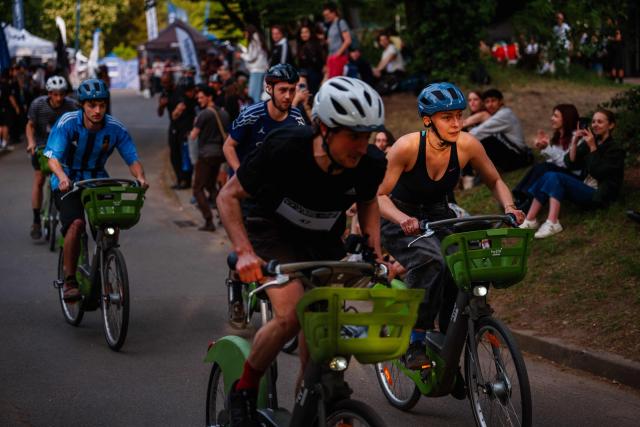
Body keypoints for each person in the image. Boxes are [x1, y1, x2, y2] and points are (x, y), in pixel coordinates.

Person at [217, 76, 387, 425]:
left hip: (322, 241)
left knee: (326, 329)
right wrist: (244, 252)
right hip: (270, 231)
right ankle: (244, 389)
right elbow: (228, 196)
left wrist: (375, 253)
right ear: (323, 127)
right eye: (353, 135)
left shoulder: (370, 162)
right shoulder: (284, 147)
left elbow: (369, 202)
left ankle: (308, 408)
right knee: (293, 313)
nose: (361, 145)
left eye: (367, 135)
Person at [377, 82, 524, 370]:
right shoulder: (406, 147)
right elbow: (379, 195)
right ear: (428, 120)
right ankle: (415, 340)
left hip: (439, 216)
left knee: (465, 265)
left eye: (459, 115)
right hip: (400, 219)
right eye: (448, 117)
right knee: (433, 262)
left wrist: (509, 207)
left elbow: (494, 180)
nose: (457, 123)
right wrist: (402, 220)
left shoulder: (467, 145)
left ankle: (448, 336)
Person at [44, 78, 148, 301]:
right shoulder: (68, 122)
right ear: (82, 105)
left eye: (101, 105)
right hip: (68, 180)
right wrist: (62, 177)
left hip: (97, 180)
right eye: (92, 105)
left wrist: (140, 177)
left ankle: (105, 264)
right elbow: (53, 158)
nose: (97, 110)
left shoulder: (115, 128)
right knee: (76, 223)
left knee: (111, 223)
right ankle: (70, 280)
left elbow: (132, 158)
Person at [520, 109, 625, 238]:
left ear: (611, 125)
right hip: (585, 187)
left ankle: (553, 222)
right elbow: (570, 163)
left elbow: (599, 173)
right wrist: (575, 141)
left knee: (556, 177)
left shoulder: (615, 150)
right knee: (548, 174)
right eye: (593, 122)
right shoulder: (591, 142)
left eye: (600, 122)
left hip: (600, 196)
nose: (595, 125)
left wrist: (592, 147)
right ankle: (530, 219)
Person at [222, 64, 306, 174]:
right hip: (245, 181)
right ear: (269, 89)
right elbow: (228, 146)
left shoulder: (296, 117)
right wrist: (240, 174)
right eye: (283, 90)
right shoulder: (251, 114)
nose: (288, 96)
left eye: (292, 90)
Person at [25, 76, 78, 239]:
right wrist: (31, 142)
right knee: (39, 179)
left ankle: (69, 219)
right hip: (42, 147)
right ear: (49, 93)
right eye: (55, 94)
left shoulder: (71, 106)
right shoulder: (38, 105)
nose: (59, 98)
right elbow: (30, 125)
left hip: (62, 149)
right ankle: (36, 220)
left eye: (62, 94)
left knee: (69, 178)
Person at [512, 104, 580, 212]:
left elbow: (566, 163)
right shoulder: (559, 137)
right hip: (561, 171)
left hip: (573, 177)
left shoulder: (576, 138)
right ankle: (521, 197)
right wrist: (544, 147)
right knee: (542, 166)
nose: (551, 119)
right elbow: (554, 161)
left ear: (566, 118)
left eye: (556, 116)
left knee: (545, 167)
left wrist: (547, 148)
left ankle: (524, 199)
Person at [189, 86, 230, 232]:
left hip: (206, 155)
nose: (199, 100)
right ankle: (224, 216)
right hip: (220, 154)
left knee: (197, 189)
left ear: (209, 97)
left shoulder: (204, 114)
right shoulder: (224, 113)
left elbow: (193, 135)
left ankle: (208, 220)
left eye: (201, 97)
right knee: (211, 186)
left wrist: (195, 125)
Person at [468, 88, 532, 172]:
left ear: (501, 101)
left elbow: (480, 131)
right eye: (487, 102)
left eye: (493, 101)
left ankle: (479, 173)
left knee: (484, 140)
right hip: (517, 154)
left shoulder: (504, 115)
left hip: (519, 158)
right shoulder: (500, 114)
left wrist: (463, 138)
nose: (490, 104)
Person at [169, 76, 197, 189]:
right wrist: (177, 110)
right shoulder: (179, 98)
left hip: (188, 133)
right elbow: (173, 116)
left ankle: (186, 180)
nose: (190, 93)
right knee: (176, 156)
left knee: (186, 158)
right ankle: (180, 179)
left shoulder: (195, 101)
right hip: (176, 131)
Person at [239, 25, 269, 104]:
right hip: (261, 69)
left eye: (245, 33)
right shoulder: (259, 40)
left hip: (256, 70)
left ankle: (254, 113)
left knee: (253, 95)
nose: (245, 35)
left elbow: (251, 56)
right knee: (258, 93)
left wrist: (241, 55)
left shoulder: (254, 41)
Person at [323, 2, 352, 78]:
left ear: (334, 13)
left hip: (339, 58)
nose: (326, 17)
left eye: (327, 14)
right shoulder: (331, 26)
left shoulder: (341, 22)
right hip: (332, 58)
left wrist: (337, 55)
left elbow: (348, 40)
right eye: (325, 15)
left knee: (337, 81)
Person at [295, 23, 325, 94]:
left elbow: (317, 62)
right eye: (302, 33)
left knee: (310, 95)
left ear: (310, 33)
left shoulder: (312, 45)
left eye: (306, 32)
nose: (304, 34)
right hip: (306, 76)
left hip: (313, 75)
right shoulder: (302, 46)